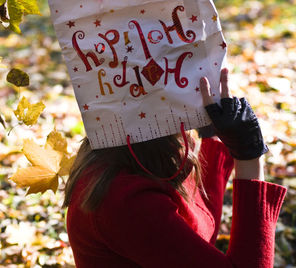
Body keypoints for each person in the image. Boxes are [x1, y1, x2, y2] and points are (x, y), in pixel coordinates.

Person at [63, 69, 287, 268]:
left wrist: (214, 136)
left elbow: (198, 230)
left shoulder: (145, 151)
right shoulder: (125, 200)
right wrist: (249, 156)